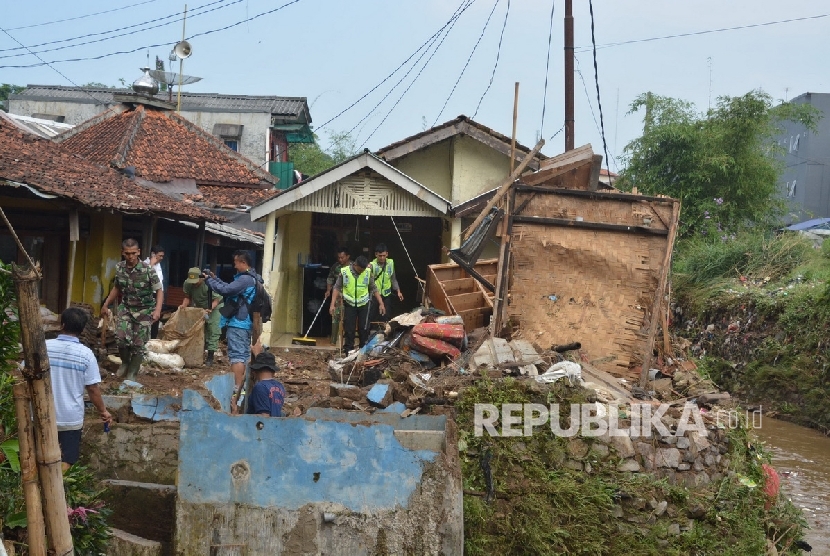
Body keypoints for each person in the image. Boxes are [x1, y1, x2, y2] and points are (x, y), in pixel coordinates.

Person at [47, 307, 113, 471]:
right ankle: (57, 490)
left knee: (39, 455)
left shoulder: (43, 347)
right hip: (70, 418)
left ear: (62, 324)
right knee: (66, 459)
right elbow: (92, 389)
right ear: (82, 329)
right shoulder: (86, 354)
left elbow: (22, 374)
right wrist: (103, 411)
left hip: (42, 415)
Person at [204, 250, 262, 411]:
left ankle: (237, 389)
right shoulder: (254, 278)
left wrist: (209, 281)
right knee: (243, 355)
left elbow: (227, 291)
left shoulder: (245, 279)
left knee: (237, 356)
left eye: (236, 262)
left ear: (243, 263)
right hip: (245, 323)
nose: (234, 265)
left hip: (239, 323)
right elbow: (229, 287)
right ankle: (242, 389)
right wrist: (216, 279)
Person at [101, 238, 163, 380]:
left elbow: (159, 291)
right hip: (126, 308)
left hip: (145, 310)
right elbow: (117, 287)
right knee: (121, 338)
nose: (130, 256)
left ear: (138, 252)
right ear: (123, 252)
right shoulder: (119, 268)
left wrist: (157, 310)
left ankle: (132, 373)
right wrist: (106, 304)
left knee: (138, 344)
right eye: (127, 253)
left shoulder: (147, 270)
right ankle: (125, 362)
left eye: (133, 253)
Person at [330, 255, 385, 350]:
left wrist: (381, 303)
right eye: (360, 270)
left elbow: (374, 288)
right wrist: (332, 304)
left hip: (364, 304)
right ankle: (348, 351)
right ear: (355, 265)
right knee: (349, 330)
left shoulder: (367, 272)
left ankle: (362, 351)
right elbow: (336, 287)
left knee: (364, 329)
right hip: (349, 304)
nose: (361, 272)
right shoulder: (344, 272)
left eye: (363, 270)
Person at [180, 266, 222, 366]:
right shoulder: (187, 283)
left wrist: (210, 309)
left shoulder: (209, 284)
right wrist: (183, 306)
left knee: (213, 329)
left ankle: (210, 357)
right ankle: (199, 353)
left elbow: (217, 299)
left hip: (215, 307)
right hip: (200, 308)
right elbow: (187, 297)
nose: (194, 283)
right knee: (200, 330)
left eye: (196, 281)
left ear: (201, 277)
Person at [369, 243, 403, 324]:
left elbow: (393, 279)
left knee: (386, 317)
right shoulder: (372, 265)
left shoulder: (390, 263)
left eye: (384, 255)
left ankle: (384, 334)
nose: (382, 258)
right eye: (380, 255)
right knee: (371, 316)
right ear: (376, 254)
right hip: (375, 295)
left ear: (387, 254)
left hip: (387, 295)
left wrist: (398, 291)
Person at [324, 247, 351, 346]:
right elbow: (330, 278)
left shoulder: (353, 267)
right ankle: (333, 340)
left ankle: (346, 341)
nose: (340, 259)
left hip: (349, 297)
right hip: (337, 295)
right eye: (339, 257)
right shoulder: (336, 266)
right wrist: (328, 290)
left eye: (342, 257)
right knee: (335, 317)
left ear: (348, 257)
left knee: (347, 318)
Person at [246, 351, 286, 417]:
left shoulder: (260, 387)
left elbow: (264, 417)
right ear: (273, 371)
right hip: (276, 425)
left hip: (261, 426)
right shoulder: (280, 386)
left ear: (256, 371)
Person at [144, 245, 165, 339]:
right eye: (159, 256)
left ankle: (152, 340)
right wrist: (151, 264)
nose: (161, 258)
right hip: (147, 295)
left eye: (162, 256)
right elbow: (144, 278)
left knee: (155, 319)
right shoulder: (145, 264)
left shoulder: (159, 265)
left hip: (158, 295)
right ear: (153, 254)